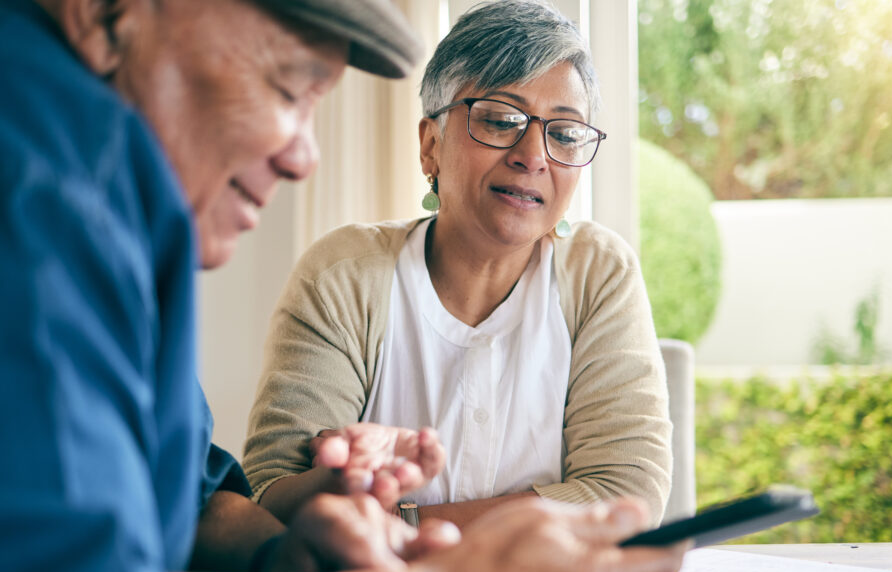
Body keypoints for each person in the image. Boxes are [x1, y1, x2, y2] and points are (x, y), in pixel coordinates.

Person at [0, 0, 687, 572]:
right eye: (289, 89)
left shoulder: (126, 232)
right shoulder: (38, 185)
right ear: (104, 14)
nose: (305, 158)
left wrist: (281, 553)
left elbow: (195, 496)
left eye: (563, 133)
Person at [243, 0, 672, 530]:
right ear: (431, 147)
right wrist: (342, 480)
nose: (533, 155)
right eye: (500, 120)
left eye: (564, 133)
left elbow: (627, 496)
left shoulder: (598, 273)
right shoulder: (344, 275)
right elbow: (269, 493)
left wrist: (404, 520)